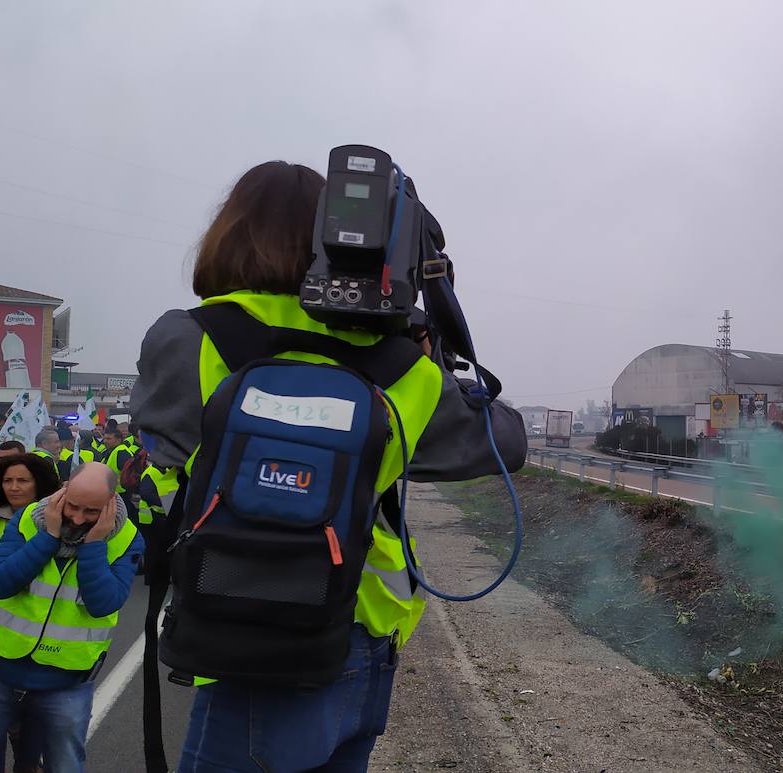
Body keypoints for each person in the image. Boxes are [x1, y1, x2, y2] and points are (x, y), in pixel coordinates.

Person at [133, 159, 525, 771]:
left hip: (248, 632)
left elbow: (164, 453)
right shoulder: (400, 363)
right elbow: (504, 445)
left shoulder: (188, 339)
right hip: (366, 636)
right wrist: (434, 356)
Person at [0, 463, 141, 773]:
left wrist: (95, 544)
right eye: (72, 505)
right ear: (63, 489)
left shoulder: (127, 538)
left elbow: (104, 603)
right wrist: (48, 537)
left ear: (111, 502)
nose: (76, 518)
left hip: (67, 681)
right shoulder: (30, 519)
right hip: (0, 670)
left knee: (64, 765)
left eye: (91, 512)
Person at [0, 453, 60, 773]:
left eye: (23, 480)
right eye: (7, 480)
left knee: (27, 728)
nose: (14, 487)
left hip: (28, 641)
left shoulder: (58, 522)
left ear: (39, 484)